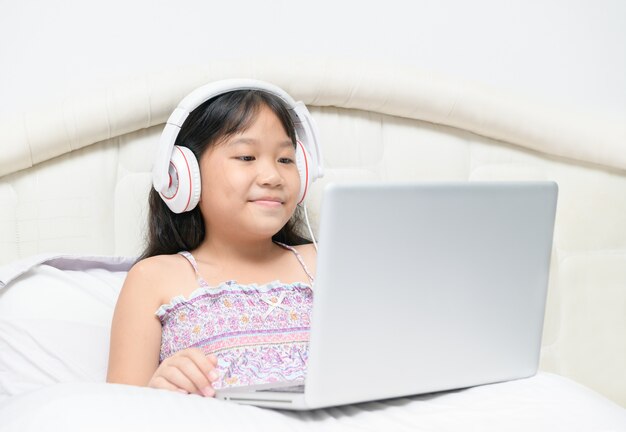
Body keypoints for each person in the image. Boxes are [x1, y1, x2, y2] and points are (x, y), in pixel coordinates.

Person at [106, 80, 322, 398]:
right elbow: (114, 411)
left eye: (285, 160)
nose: (273, 177)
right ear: (183, 175)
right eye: (247, 157)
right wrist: (158, 391)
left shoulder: (325, 260)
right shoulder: (153, 278)